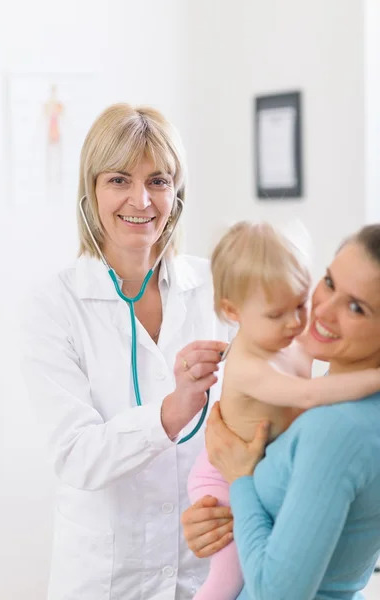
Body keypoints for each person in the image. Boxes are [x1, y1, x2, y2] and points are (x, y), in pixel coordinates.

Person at [20, 102, 233, 600]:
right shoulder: (54, 305)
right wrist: (170, 411)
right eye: (119, 179)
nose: (141, 198)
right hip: (106, 581)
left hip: (205, 573)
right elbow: (77, 456)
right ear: (91, 191)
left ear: (176, 193)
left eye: (158, 181)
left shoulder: (217, 287)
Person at [183, 224, 380, 600]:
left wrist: (240, 482)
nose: (320, 310)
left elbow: (280, 592)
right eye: (329, 282)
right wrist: (222, 517)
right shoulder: (349, 407)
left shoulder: (337, 429)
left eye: (356, 307)